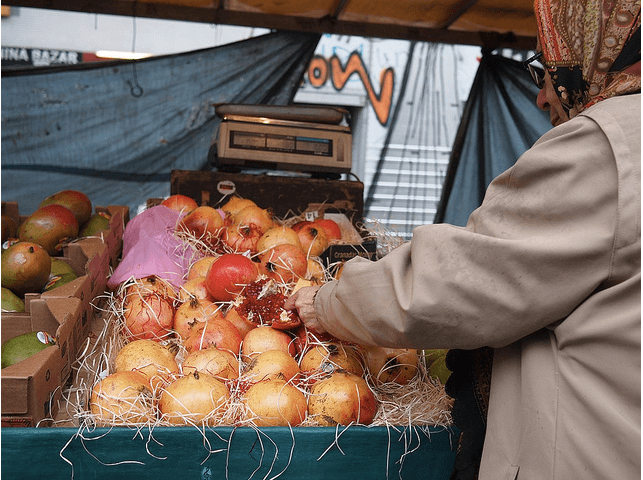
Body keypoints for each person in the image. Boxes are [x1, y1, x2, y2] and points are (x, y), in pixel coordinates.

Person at [285, 0, 641, 478]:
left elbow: (459, 282)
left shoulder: (608, 146)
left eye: (546, 70)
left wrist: (327, 303)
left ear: (590, 51)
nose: (541, 97)